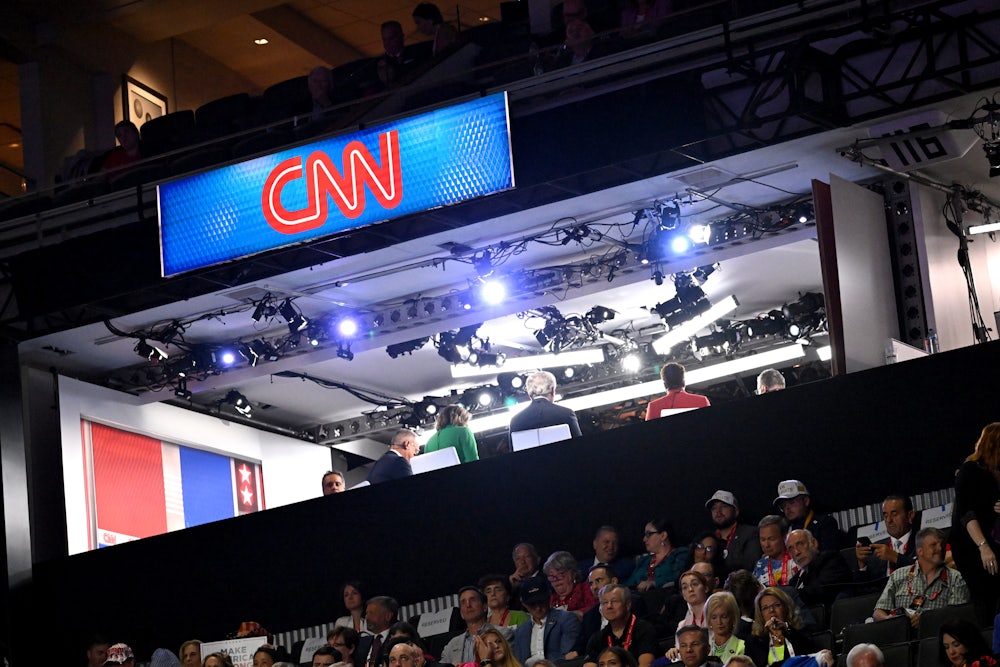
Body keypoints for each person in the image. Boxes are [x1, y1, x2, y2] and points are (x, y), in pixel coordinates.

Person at [951, 423, 1000, 623]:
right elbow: (966, 512)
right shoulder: (970, 470)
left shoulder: (996, 471)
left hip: (995, 540)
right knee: (985, 598)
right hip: (972, 545)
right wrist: (983, 546)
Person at [873, 527, 970, 628]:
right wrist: (891, 620)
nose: (940, 549)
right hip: (901, 636)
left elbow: (957, 616)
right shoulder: (898, 576)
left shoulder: (956, 578)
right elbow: (878, 612)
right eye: (934, 545)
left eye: (942, 545)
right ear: (920, 551)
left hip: (936, 638)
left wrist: (927, 620)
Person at [582, 584, 657, 667]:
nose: (609, 606)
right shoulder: (597, 638)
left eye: (614, 601)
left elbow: (646, 664)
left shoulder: (643, 629)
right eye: (605, 602)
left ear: (627, 605)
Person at [512, 575, 581, 664]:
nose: (538, 608)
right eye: (532, 604)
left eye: (541, 602)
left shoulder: (567, 619)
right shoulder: (520, 631)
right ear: (524, 604)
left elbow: (568, 657)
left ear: (549, 598)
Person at [441, 586, 513, 664]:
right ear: (461, 613)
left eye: (472, 600)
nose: (468, 605)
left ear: (485, 607)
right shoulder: (451, 645)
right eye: (463, 602)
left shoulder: (503, 634)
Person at [745, 587, 815, 667]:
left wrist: (787, 630)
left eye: (777, 605)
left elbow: (810, 652)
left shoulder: (800, 632)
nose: (771, 610)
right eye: (765, 608)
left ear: (786, 608)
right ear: (761, 614)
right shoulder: (754, 642)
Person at [855, 494, 918, 582]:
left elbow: (927, 571)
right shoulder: (875, 549)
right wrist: (862, 564)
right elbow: (862, 589)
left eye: (894, 514)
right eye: (885, 515)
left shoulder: (923, 542)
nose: (889, 520)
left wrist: (896, 558)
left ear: (910, 515)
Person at [785, 529, 851, 605]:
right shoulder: (795, 580)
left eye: (800, 544)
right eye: (791, 549)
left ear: (814, 543)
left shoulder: (831, 560)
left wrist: (790, 595)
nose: (796, 552)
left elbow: (819, 591)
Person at [773, 480, 841, 551]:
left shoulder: (825, 523)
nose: (787, 508)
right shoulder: (784, 530)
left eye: (791, 502)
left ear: (806, 501)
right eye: (783, 506)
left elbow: (828, 555)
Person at [509, 371, 582, 438]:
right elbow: (579, 445)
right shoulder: (567, 414)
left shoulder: (515, 421)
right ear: (553, 390)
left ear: (529, 393)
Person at [707, 491, 762, 574]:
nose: (718, 511)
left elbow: (751, 565)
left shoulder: (750, 533)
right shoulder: (710, 539)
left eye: (724, 506)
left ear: (736, 512)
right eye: (714, 508)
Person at [626, 518, 689, 590]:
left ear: (663, 535)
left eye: (648, 534)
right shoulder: (643, 561)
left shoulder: (680, 554)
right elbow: (630, 583)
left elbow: (680, 576)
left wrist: (655, 582)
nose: (644, 539)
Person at [663, 571, 712, 659]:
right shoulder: (682, 625)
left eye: (695, 584)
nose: (690, 589)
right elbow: (681, 654)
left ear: (706, 588)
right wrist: (675, 651)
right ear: (683, 595)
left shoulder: (717, 618)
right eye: (685, 587)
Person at [644, 362, 710, 420]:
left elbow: (648, 433)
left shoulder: (653, 407)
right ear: (683, 382)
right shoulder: (702, 401)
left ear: (665, 384)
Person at [751, 515, 800, 587]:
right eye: (763, 540)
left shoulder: (797, 561)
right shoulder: (760, 565)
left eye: (771, 539)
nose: (767, 545)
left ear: (784, 537)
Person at [544, 550, 597, 616]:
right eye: (552, 576)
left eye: (561, 574)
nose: (556, 579)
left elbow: (595, 611)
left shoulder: (587, 590)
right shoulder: (550, 600)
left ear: (573, 574)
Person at [355, 596, 399, 667]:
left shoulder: (399, 639)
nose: (367, 617)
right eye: (366, 613)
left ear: (388, 616)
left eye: (371, 613)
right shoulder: (362, 643)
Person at [705, 592, 745, 662]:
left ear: (733, 617)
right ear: (709, 620)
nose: (719, 622)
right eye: (714, 617)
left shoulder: (742, 646)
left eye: (724, 617)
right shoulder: (703, 646)